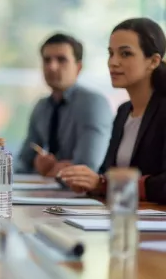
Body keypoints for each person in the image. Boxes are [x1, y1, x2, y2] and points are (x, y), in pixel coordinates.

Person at [60, 18, 166, 203]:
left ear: (153, 61)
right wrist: (88, 181)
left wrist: (104, 184)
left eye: (125, 54)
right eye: (111, 53)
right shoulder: (124, 112)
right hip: (124, 216)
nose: (113, 62)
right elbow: (106, 174)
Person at [15, 33, 113, 176]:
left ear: (78, 67)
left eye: (62, 60)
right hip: (48, 192)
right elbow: (23, 162)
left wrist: (50, 171)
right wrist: (40, 165)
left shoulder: (93, 103)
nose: (52, 67)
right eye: (47, 60)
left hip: (86, 195)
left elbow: (86, 167)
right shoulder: (41, 107)